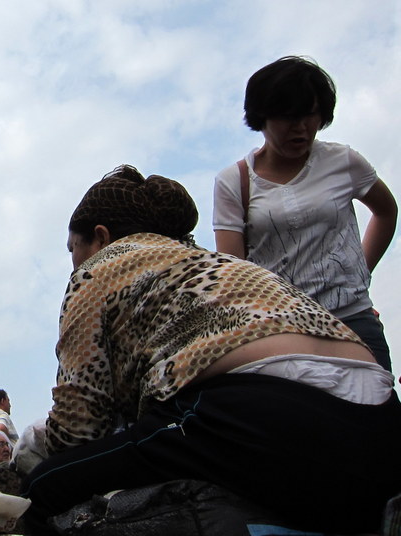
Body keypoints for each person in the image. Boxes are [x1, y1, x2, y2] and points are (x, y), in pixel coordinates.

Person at [22, 165, 401, 534]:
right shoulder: (214, 262)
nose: (72, 260)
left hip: (270, 417)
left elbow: (79, 429)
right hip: (383, 424)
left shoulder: (98, 269)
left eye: (73, 247)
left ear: (101, 237)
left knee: (43, 489)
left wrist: (34, 444)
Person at [213, 55, 397, 371]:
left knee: (378, 413)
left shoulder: (343, 161)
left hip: (354, 319)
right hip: (283, 330)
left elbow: (386, 211)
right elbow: (235, 272)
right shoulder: (234, 182)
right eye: (287, 118)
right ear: (262, 118)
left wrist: (361, 271)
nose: (300, 128)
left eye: (309, 115)